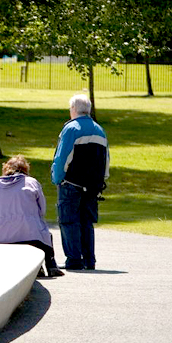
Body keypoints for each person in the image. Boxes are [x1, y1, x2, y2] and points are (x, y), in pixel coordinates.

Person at [0, 155, 64, 277]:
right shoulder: (32, 183)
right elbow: (42, 210)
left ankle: (38, 268)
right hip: (31, 236)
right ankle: (50, 265)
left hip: (3, 237)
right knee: (45, 234)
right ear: (25, 169)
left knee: (38, 232)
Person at [51, 93, 109, 270]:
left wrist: (57, 177)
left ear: (74, 109)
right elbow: (105, 159)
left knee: (69, 220)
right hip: (93, 185)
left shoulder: (71, 129)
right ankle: (89, 260)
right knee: (86, 221)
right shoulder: (100, 130)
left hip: (71, 182)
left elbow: (63, 157)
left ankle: (74, 259)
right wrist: (102, 180)